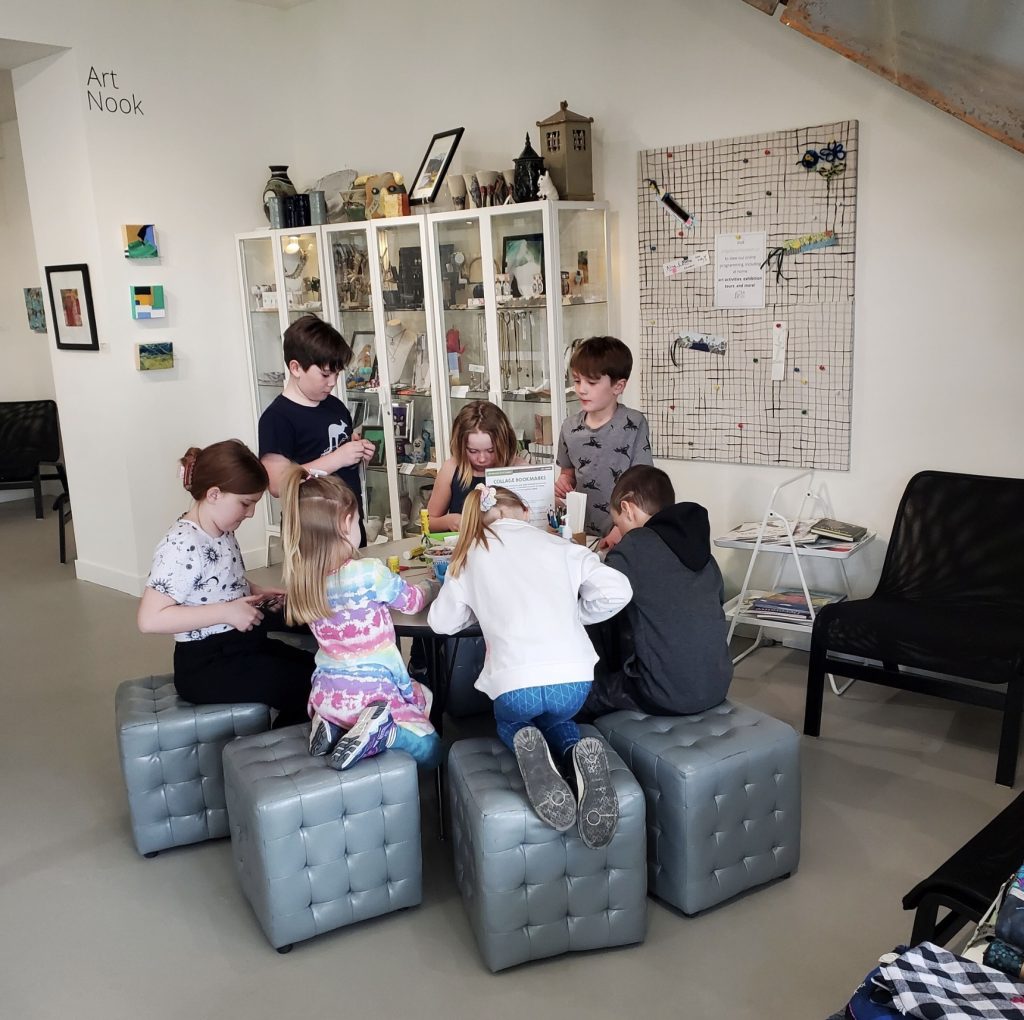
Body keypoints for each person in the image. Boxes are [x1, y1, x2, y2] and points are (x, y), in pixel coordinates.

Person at [428, 484, 633, 848]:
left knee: (513, 722)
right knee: (559, 719)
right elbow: (619, 590)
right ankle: (574, 754)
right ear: (525, 510)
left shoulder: (470, 554)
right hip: (573, 683)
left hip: (515, 685)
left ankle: (535, 756)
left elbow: (441, 623)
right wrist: (577, 614)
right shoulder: (561, 546)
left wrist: (479, 612)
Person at [137, 440, 313, 726]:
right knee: (306, 689)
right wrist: (227, 612)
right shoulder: (181, 545)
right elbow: (150, 619)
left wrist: (254, 591)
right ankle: (286, 745)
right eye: (245, 503)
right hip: (207, 666)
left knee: (317, 671)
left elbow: (217, 579)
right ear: (214, 494)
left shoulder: (221, 530)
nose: (251, 513)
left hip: (241, 644)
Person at [279, 464, 442, 770]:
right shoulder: (369, 573)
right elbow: (412, 602)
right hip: (373, 694)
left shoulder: (302, 581)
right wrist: (432, 585)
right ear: (345, 525)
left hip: (328, 694)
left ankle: (331, 725)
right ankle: (385, 733)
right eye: (357, 520)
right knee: (431, 748)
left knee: (369, 708)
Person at [580, 465, 733, 720]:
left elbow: (599, 595)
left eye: (617, 523)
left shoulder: (634, 547)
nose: (619, 532)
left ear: (627, 508)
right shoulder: (703, 552)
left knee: (575, 695)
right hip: (717, 685)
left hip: (663, 695)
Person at [258, 315, 375, 537]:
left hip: (350, 523)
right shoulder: (276, 418)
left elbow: (342, 465)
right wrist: (338, 458)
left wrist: (359, 455)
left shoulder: (335, 406)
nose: (332, 382)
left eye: (337, 374)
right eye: (325, 374)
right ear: (296, 368)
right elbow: (278, 484)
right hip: (313, 534)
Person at [554, 336, 654, 548]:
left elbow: (643, 485)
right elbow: (567, 474)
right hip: (580, 533)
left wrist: (621, 529)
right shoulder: (569, 427)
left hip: (625, 532)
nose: (581, 389)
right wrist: (563, 483)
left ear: (618, 386)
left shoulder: (634, 423)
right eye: (577, 380)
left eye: (591, 382)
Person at [426, 400, 528, 533]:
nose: (482, 459)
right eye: (473, 451)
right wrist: (449, 521)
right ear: (461, 447)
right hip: (465, 544)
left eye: (491, 451)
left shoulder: (520, 468)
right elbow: (428, 522)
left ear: (504, 445)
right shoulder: (451, 469)